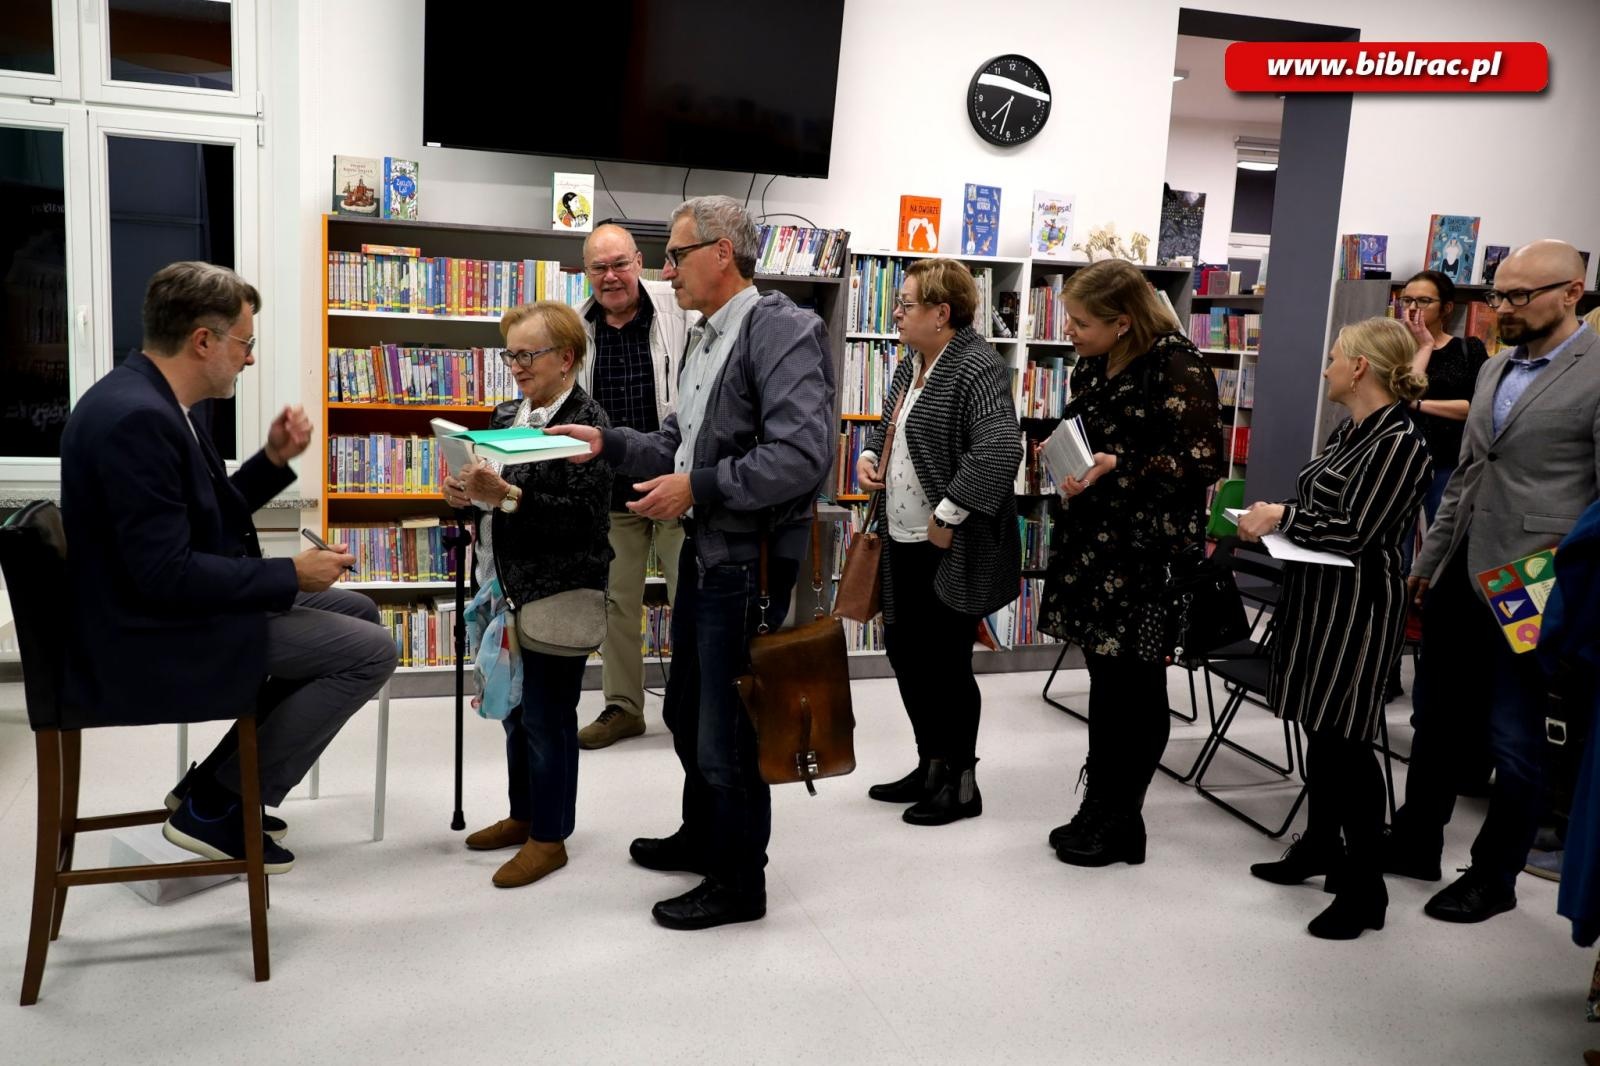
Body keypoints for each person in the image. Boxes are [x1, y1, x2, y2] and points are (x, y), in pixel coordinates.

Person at [548, 195, 834, 930]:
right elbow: (678, 437)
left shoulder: (780, 330)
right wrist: (610, 444)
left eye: (676, 254)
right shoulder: (708, 337)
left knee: (728, 732)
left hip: (744, 563)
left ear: (722, 253)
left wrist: (697, 487)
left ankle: (741, 883)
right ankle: (705, 835)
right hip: (709, 559)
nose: (665, 269)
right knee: (685, 711)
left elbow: (800, 458)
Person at [59, 261, 397, 875]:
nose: (249, 359)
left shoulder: (155, 402)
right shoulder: (139, 419)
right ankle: (219, 804)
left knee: (359, 611)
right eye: (245, 343)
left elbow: (206, 516)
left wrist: (270, 461)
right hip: (150, 633)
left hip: (158, 609)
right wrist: (292, 576)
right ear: (203, 340)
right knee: (371, 651)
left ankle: (214, 785)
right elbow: (166, 576)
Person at [1385, 239, 1600, 923]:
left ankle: (1493, 875)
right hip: (1459, 572)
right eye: (1496, 295)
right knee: (1437, 719)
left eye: (1518, 296)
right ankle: (1416, 840)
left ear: (1572, 291)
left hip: (1532, 577)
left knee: (1514, 734)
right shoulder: (1495, 367)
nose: (1502, 308)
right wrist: (1428, 559)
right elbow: (1469, 475)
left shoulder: (1597, 370)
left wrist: (1564, 572)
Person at [1238, 317, 1432, 939]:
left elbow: (1355, 530)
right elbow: (1327, 514)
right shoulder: (1354, 430)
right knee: (1322, 732)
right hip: (1319, 598)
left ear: (1361, 368)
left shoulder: (1400, 441)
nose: (1325, 368)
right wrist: (1283, 518)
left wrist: (1278, 515)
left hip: (1358, 608)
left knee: (1347, 742)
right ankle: (1321, 846)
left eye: (1334, 357)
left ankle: (1365, 885)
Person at [1038, 258, 1225, 867]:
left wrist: (1121, 466)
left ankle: (1125, 819)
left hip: (1146, 554)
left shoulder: (1178, 364)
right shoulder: (1096, 361)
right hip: (1094, 545)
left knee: (1137, 688)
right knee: (1104, 682)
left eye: (1081, 321)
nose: (1070, 330)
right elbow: (1092, 432)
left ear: (1123, 322)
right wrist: (1063, 451)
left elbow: (1199, 464)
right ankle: (1099, 804)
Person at [442, 301, 613, 888]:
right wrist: (465, 493)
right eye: (510, 353)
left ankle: (550, 837)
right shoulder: (508, 413)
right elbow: (493, 495)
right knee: (515, 710)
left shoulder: (587, 423)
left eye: (528, 354)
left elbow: (583, 521)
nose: (516, 366)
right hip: (503, 582)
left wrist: (507, 496)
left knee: (547, 717)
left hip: (557, 591)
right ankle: (523, 814)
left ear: (566, 358)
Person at [854, 258, 1021, 825]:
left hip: (951, 544)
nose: (896, 313)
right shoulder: (913, 362)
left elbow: (999, 450)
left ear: (941, 313)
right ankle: (930, 763)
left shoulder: (977, 366)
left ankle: (961, 782)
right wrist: (869, 455)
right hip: (902, 534)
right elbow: (890, 425)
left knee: (947, 664)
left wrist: (948, 516)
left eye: (906, 303)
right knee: (907, 653)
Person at [573, 223, 692, 750]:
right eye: (599, 267)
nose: (612, 276)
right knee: (615, 602)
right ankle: (622, 706)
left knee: (690, 596)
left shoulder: (679, 310)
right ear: (586, 272)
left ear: (639, 262)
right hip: (612, 490)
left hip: (674, 481)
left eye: (620, 263)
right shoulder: (575, 326)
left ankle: (695, 701)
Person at [1388, 271, 1488, 705]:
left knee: (1436, 570)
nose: (1413, 308)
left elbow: (1474, 408)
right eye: (1407, 299)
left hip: (1449, 466)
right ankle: (1386, 671)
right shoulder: (1397, 348)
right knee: (1394, 564)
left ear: (1446, 307)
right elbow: (1395, 397)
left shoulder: (1470, 350)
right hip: (1400, 468)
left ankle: (1435, 676)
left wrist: (1420, 404)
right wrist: (1419, 354)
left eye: (1424, 301)